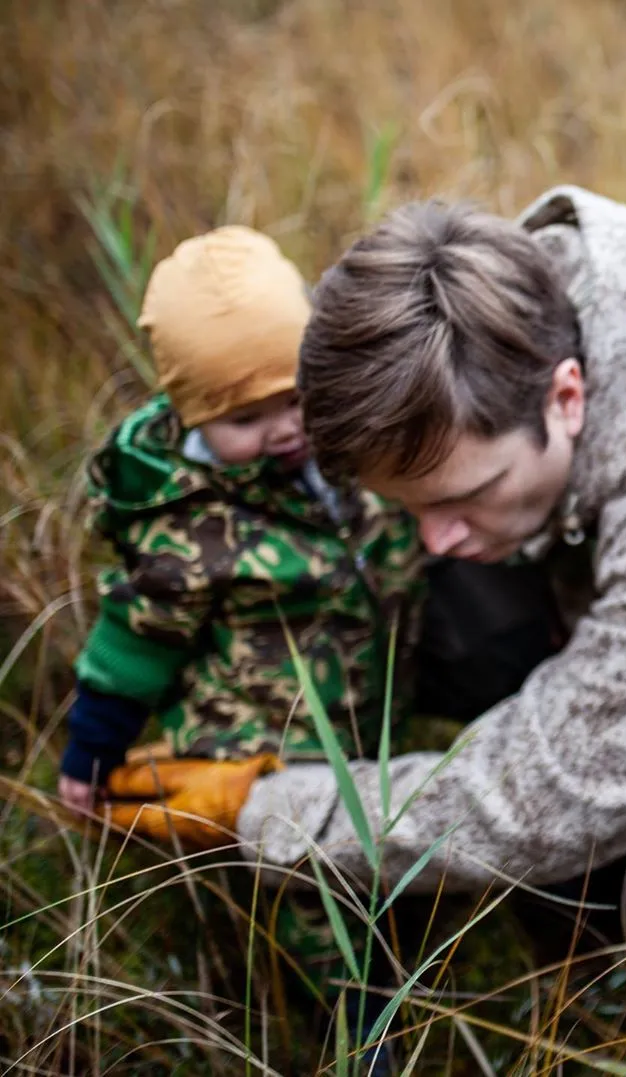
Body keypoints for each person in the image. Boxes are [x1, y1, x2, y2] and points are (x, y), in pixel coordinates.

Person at [235, 186, 626, 968]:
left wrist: (267, 813)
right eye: (409, 504)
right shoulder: (509, 307)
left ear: (566, 394)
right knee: (462, 616)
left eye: (465, 496)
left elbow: (568, 787)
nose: (434, 535)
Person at [60, 225, 423, 1063]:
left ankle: (402, 938)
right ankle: (364, 1016)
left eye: (297, 396)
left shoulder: (345, 439)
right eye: (245, 418)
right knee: (312, 874)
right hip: (267, 732)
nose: (284, 429)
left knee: (389, 833)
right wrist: (90, 747)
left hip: (370, 697)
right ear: (196, 416)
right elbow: (135, 641)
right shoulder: (192, 524)